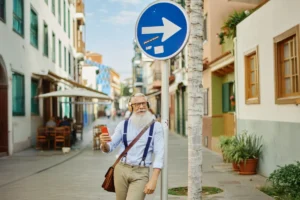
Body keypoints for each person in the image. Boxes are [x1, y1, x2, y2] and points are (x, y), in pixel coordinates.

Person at [100, 93, 164, 200]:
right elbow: (109, 148)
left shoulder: (156, 127)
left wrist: (154, 179)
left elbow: (160, 154)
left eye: (143, 103)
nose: (141, 107)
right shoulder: (123, 125)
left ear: (147, 105)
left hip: (141, 173)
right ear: (131, 107)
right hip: (121, 169)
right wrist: (103, 143)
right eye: (137, 104)